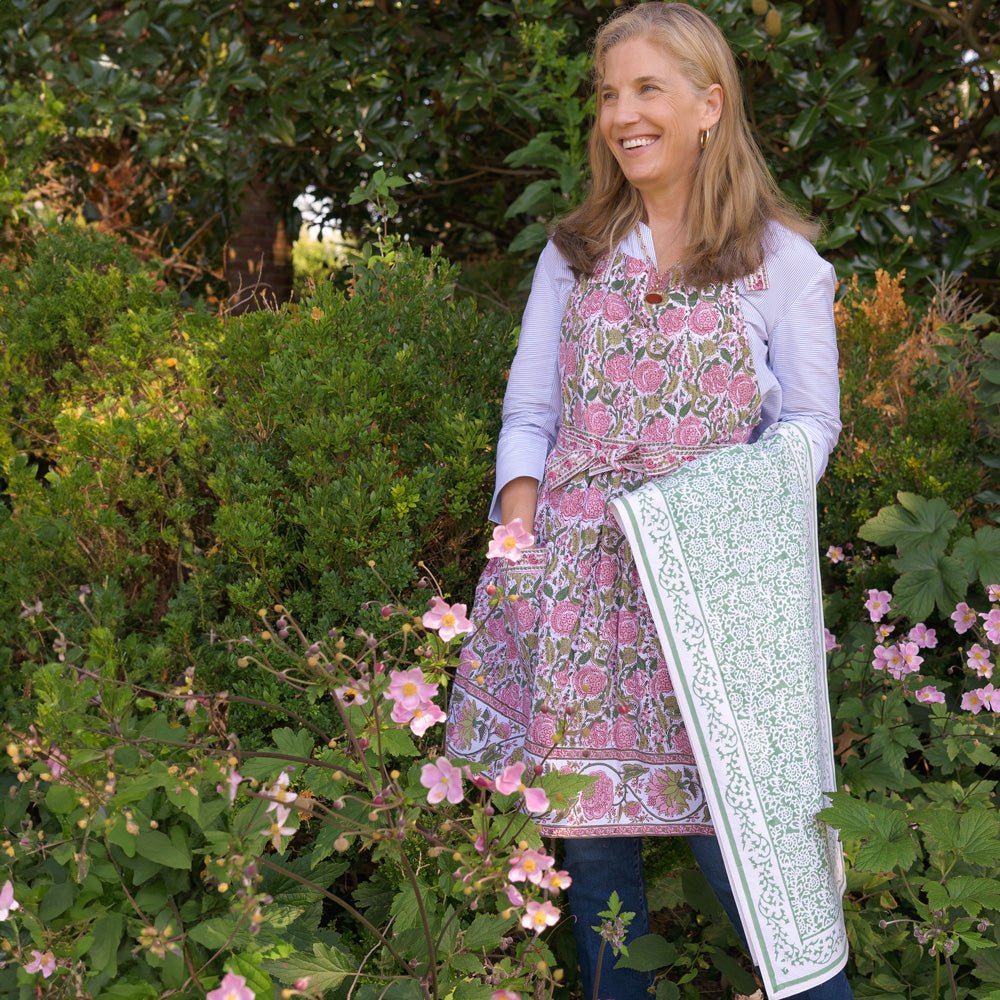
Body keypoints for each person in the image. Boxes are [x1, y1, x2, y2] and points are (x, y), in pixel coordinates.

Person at [446, 4, 853, 998]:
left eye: (646, 90)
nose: (622, 115)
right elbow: (531, 412)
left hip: (705, 598)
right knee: (594, 867)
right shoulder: (577, 254)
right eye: (608, 94)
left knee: (755, 865)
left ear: (709, 105)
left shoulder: (783, 266)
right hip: (577, 590)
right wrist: (521, 539)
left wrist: (708, 503)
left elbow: (811, 427)